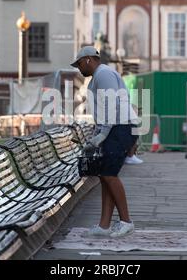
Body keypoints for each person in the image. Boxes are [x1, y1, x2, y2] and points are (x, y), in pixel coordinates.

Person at [71, 46, 139, 238]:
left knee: (109, 174)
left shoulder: (104, 74)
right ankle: (104, 225)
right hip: (117, 127)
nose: (78, 69)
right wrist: (98, 134)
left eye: (79, 64)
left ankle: (126, 222)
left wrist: (103, 133)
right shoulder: (100, 76)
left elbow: (111, 104)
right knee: (104, 175)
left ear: (88, 60)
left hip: (121, 126)